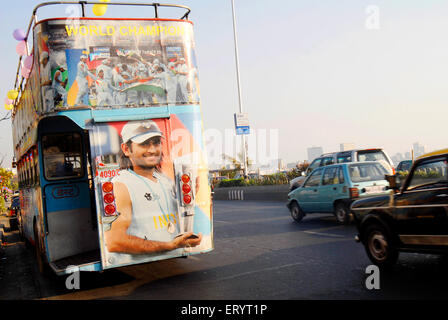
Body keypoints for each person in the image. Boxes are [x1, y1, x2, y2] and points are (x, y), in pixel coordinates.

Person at [105, 120, 202, 265]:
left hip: (166, 260)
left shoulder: (165, 180)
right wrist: (171, 246)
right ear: (126, 149)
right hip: (140, 266)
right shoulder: (122, 184)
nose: (152, 150)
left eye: (156, 143)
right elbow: (115, 241)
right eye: (144, 144)